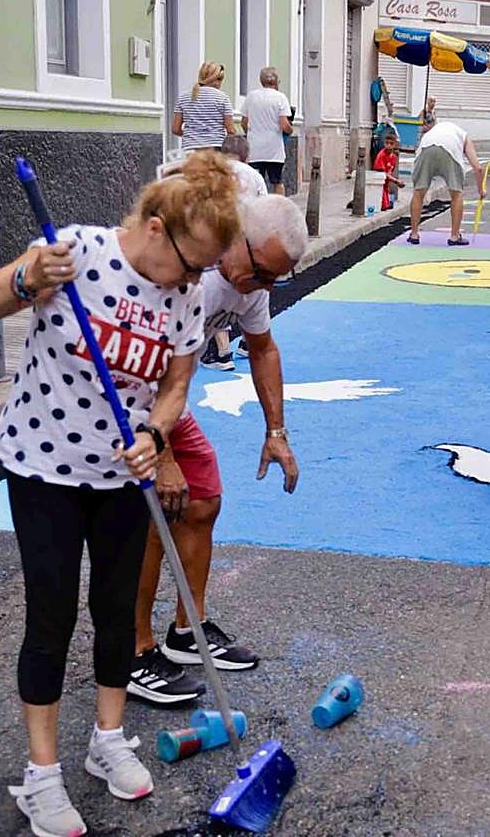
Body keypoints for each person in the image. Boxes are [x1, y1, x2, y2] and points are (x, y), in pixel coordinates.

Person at [0, 152, 241, 837]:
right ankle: (42, 776)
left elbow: (175, 384)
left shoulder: (185, 296)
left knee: (116, 611)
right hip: (43, 467)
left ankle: (107, 740)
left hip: (122, 475)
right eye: (192, 264)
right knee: (50, 617)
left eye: (205, 270)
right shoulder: (76, 253)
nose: (196, 280)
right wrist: (27, 280)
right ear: (155, 228)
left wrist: (155, 433)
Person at [131, 195, 307, 703]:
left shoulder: (249, 279)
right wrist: (162, 457)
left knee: (203, 497)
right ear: (235, 240)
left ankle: (187, 630)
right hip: (122, 399)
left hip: (167, 399)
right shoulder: (190, 276)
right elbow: (143, 369)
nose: (264, 287)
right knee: (151, 514)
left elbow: (263, 348)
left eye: (276, 279)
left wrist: (276, 433)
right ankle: (132, 651)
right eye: (262, 274)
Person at [199, 135, 268, 373]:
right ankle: (248, 344)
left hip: (223, 240)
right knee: (251, 289)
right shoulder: (255, 176)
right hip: (249, 241)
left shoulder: (214, 175)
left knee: (221, 292)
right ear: (246, 156)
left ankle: (222, 353)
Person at [407, 120, 487, 246]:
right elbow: (478, 168)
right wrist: (481, 190)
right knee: (456, 194)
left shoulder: (432, 132)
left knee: (418, 192)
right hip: (450, 151)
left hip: (426, 148)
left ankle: (414, 234)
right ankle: (454, 236)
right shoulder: (464, 136)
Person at [242, 66, 293, 195]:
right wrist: (290, 130)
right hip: (274, 149)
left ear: (261, 81)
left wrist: (250, 133)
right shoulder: (280, 98)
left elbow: (244, 122)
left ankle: (254, 204)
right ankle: (278, 205)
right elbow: (284, 124)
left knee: (253, 182)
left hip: (254, 148)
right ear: (276, 81)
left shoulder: (251, 97)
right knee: (277, 182)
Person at [172, 62, 235, 152]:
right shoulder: (223, 98)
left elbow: (175, 129)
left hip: (190, 148)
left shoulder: (183, 97)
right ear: (218, 79)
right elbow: (231, 130)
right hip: (215, 148)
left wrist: (191, 136)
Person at [374, 130, 403, 210]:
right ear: (384, 144)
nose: (389, 146)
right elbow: (382, 174)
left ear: (395, 144)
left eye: (391, 144)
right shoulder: (381, 155)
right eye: (387, 143)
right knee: (384, 206)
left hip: (386, 185)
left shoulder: (394, 157)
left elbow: (390, 172)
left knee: (388, 205)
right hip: (379, 183)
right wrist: (396, 181)